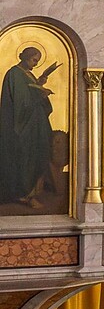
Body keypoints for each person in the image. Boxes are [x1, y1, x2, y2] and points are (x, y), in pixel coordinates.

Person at [0, 46, 58, 207]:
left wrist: (39, 82)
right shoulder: (14, 74)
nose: (35, 64)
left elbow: (29, 93)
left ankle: (33, 191)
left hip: (35, 123)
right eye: (33, 60)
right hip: (23, 126)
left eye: (38, 61)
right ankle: (25, 194)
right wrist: (40, 94)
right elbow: (21, 103)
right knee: (27, 156)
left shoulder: (27, 74)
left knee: (39, 151)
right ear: (25, 57)